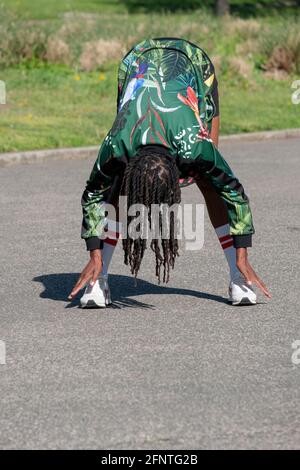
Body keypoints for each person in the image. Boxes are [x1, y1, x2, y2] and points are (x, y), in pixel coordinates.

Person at [68, 38, 270, 307]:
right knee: (114, 186)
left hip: (193, 64)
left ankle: (237, 277)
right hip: (138, 62)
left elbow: (232, 190)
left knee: (210, 182)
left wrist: (242, 253)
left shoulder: (195, 146)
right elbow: (94, 193)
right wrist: (94, 253)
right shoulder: (117, 145)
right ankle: (99, 279)